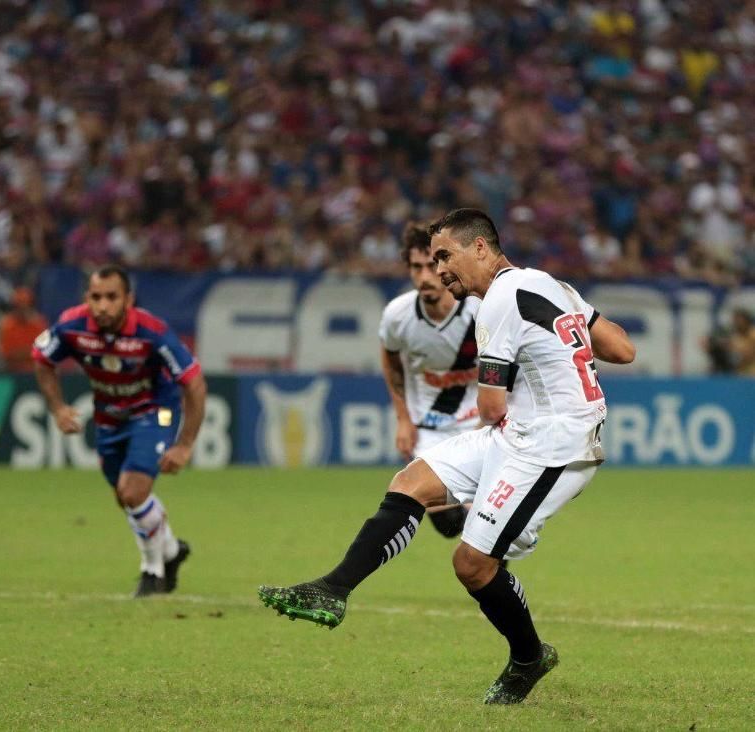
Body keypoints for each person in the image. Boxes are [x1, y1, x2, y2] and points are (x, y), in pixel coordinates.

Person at [258, 209, 636, 704]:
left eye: (444, 256)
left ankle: (528, 657)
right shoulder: (550, 284)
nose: (438, 270)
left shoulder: (497, 300)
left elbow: (490, 405)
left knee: (472, 565)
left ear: (480, 247)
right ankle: (332, 589)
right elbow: (622, 348)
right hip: (523, 427)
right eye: (433, 259)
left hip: (552, 444)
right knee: (411, 481)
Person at [32, 265, 207, 597]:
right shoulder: (72, 326)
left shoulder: (152, 332)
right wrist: (57, 408)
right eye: (96, 297)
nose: (102, 306)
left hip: (160, 411)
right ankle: (171, 551)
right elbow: (42, 358)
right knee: (123, 497)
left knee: (133, 492)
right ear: (87, 298)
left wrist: (184, 445)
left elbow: (194, 383)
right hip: (110, 416)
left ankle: (151, 573)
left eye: (111, 297)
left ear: (128, 299)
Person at [379, 222, 479, 539]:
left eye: (431, 266)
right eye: (415, 267)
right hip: (430, 432)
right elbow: (390, 358)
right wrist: (403, 419)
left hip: (480, 426)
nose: (423, 277)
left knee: (488, 525)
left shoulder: (479, 309)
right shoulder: (398, 315)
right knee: (448, 524)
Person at [0, 286, 48, 372]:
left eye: (25, 305)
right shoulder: (7, 325)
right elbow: (7, 354)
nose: (22, 309)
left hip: (36, 373)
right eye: (19, 306)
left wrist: (22, 353)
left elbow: (45, 351)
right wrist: (30, 352)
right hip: (13, 374)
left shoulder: (39, 324)